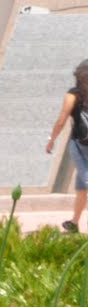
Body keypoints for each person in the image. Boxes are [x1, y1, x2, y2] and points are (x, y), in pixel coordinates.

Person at [45, 58, 88, 232]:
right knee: (81, 186)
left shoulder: (73, 95)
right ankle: (74, 223)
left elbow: (62, 119)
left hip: (80, 144)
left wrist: (52, 139)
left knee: (86, 180)